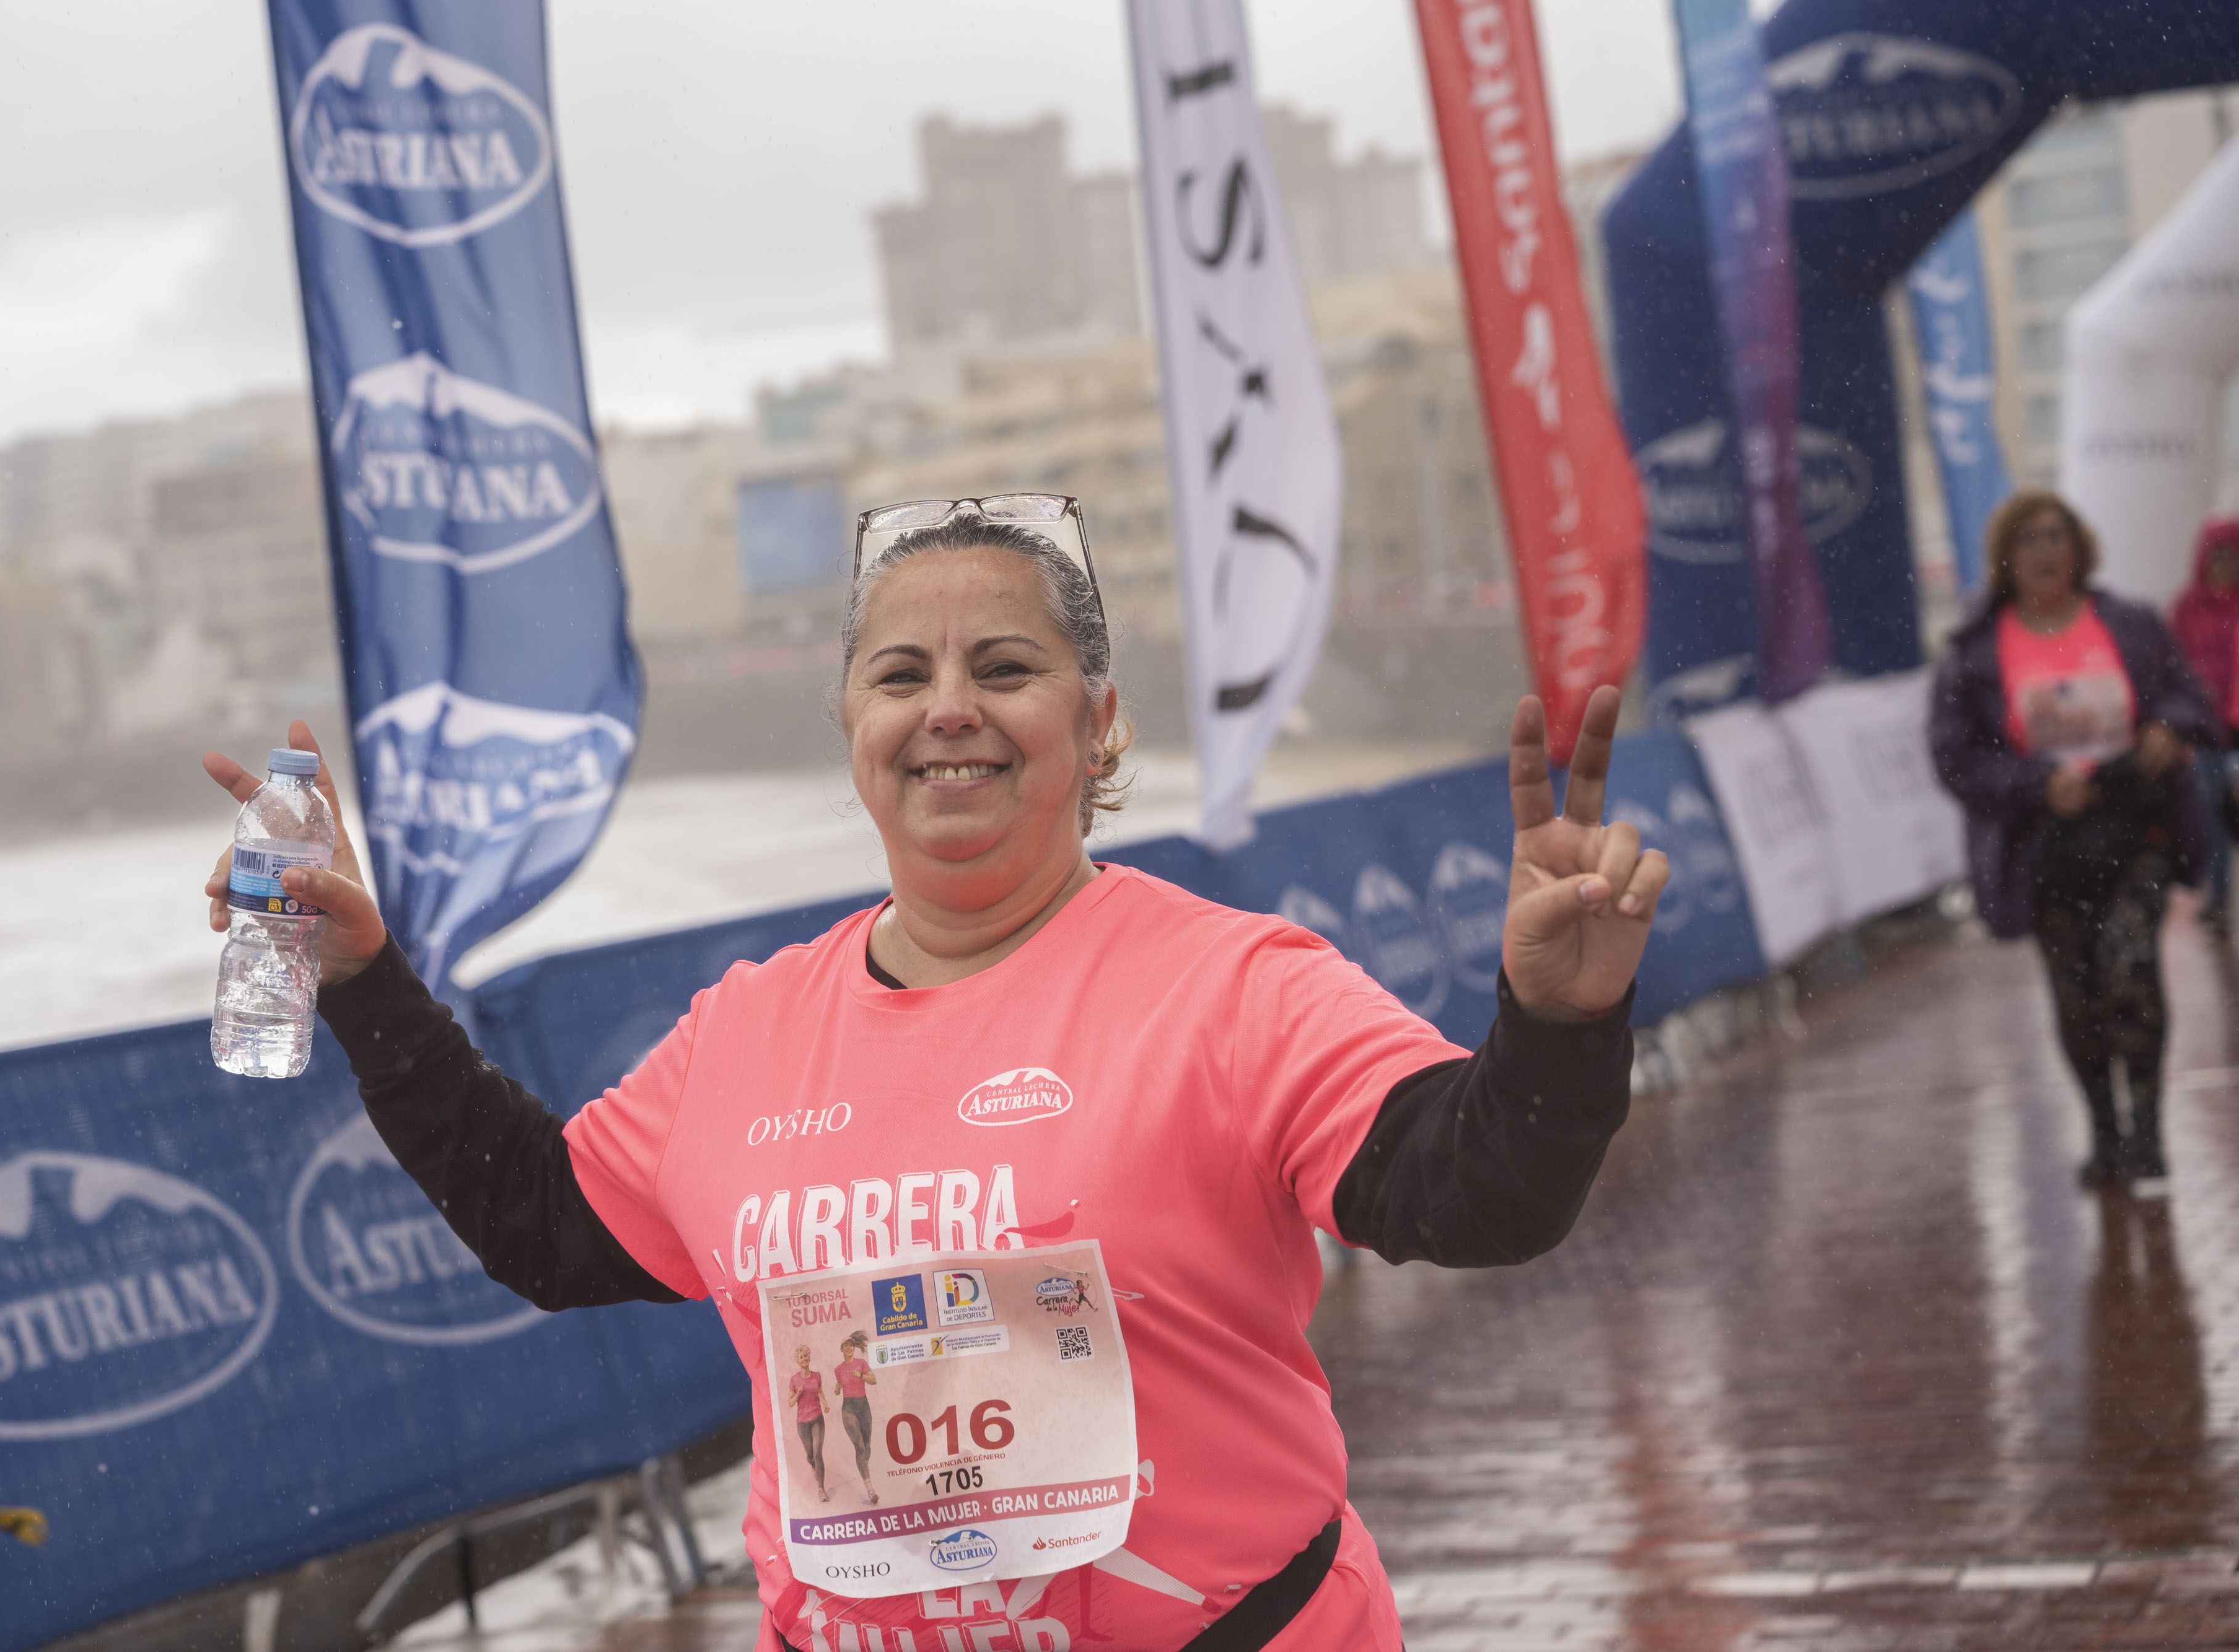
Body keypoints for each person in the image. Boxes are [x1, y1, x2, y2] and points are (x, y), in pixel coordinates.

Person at [202, 495, 1667, 1651]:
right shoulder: (748, 1030)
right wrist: (364, 981)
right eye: (901, 673)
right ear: (853, 731)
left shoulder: (1234, 987)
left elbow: (1475, 1196)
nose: (949, 706)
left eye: (1007, 668)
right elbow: (541, 1221)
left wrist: (1551, 1027)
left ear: (1096, 727)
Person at [1930, 491, 2215, 1188]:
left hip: (2135, 827)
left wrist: (2166, 729)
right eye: (2027, 538)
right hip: (2046, 847)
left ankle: (2147, 1135)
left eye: (2056, 535)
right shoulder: (1974, 652)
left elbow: (2191, 699)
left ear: (2077, 547)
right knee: (2078, 996)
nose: (2044, 549)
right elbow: (1956, 756)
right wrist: (2035, 785)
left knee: (2131, 970)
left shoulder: (2130, 624)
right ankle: (2104, 1131)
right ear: (2006, 557)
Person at [2168, 514, 2239, 933]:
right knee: (2212, 813)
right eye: (2219, 555)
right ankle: (2218, 895)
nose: (2225, 563)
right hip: (2207, 729)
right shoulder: (2188, 607)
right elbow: (2174, 666)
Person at [831, 1333, 879, 1508]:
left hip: (864, 1407)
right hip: (849, 1408)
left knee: (867, 1447)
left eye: (851, 1345)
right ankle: (870, 1489)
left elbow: (874, 1380)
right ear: (842, 1350)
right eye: (846, 1346)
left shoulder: (861, 1364)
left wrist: (861, 1376)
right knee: (859, 1446)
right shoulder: (838, 1369)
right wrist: (837, 1389)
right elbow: (839, 1384)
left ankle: (863, 1468)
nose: (849, 1348)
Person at [786, 1344, 829, 1505]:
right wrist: (798, 1394)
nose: (804, 1359)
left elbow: (820, 1392)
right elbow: (790, 1403)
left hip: (817, 1418)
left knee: (818, 1452)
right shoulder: (794, 1380)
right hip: (802, 1423)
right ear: (798, 1361)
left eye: (806, 1356)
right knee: (811, 1455)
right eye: (801, 1357)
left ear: (809, 1357)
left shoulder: (817, 1376)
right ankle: (813, 1465)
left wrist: (825, 1404)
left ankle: (821, 1490)